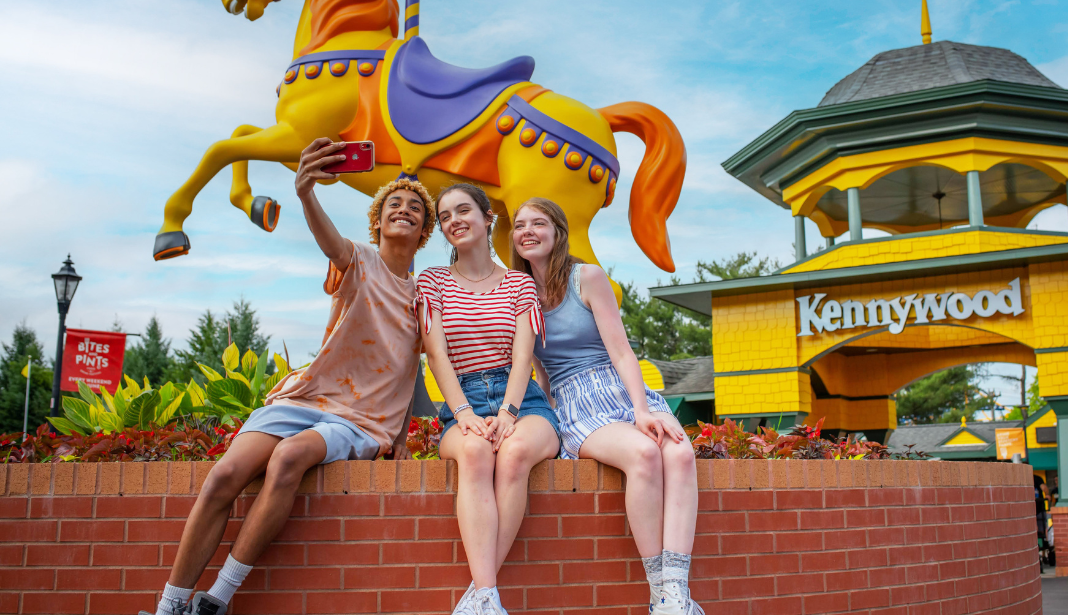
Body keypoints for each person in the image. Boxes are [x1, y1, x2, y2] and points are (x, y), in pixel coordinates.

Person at [142, 139, 435, 615]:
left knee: (288, 459)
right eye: (394, 204)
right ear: (378, 221)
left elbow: (412, 366)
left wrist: (401, 434)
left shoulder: (424, 295)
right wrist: (305, 193)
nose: (405, 209)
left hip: (361, 421)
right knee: (224, 476)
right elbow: (330, 241)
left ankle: (218, 598)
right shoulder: (358, 260)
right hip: (305, 398)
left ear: (424, 231)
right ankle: (169, 606)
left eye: (416, 207)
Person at [511, 197, 702, 615]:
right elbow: (537, 370)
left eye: (538, 223)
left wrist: (642, 409)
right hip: (575, 402)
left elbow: (621, 352)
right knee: (644, 454)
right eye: (519, 224)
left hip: (621, 388)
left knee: (682, 454)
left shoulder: (587, 277)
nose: (527, 230)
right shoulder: (517, 292)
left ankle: (674, 594)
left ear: (557, 232)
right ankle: (659, 589)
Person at [417, 183, 560, 615]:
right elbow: (436, 353)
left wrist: (508, 412)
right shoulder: (433, 280)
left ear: (486, 218)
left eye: (464, 210)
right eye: (445, 217)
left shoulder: (520, 282)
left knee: (514, 453)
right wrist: (461, 411)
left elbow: (523, 357)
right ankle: (487, 596)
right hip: (462, 398)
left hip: (523, 401)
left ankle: (481, 597)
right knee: (477, 453)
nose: (454, 220)